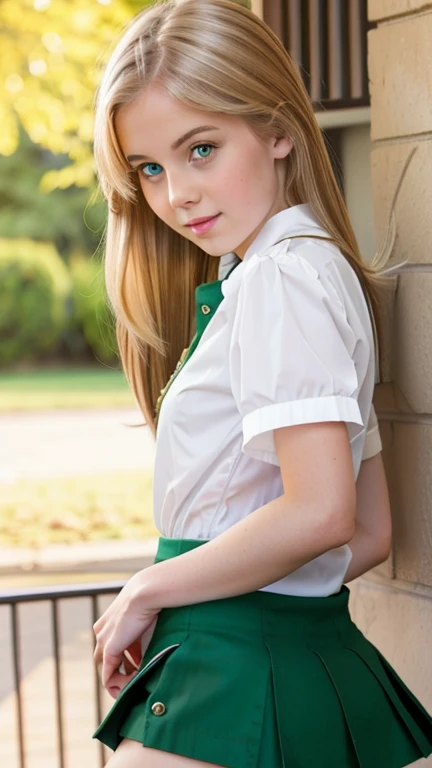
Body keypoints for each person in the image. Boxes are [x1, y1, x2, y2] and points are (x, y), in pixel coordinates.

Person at [91, 1, 432, 766]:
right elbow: (369, 529)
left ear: (279, 130)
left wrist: (152, 589)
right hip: (294, 651)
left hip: (232, 663)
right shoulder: (310, 272)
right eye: (150, 168)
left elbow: (320, 513)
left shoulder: (281, 280)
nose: (176, 193)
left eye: (201, 148)